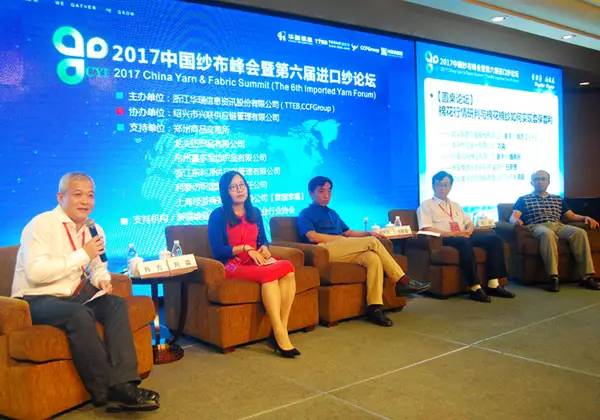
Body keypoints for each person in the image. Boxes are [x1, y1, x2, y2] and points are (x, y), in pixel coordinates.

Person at [11, 172, 159, 412]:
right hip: (35, 298)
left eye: (90, 195)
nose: (85, 201)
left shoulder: (93, 228)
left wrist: (102, 280)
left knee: (116, 304)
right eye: (77, 195)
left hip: (73, 296)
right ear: (60, 197)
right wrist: (83, 254)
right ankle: (105, 391)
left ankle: (124, 385)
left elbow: (97, 266)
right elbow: (36, 274)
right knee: (78, 315)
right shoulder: (40, 225)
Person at [297, 176, 430, 327]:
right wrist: (339, 238)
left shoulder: (332, 213)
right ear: (311, 193)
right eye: (321, 191)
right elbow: (312, 236)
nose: (326, 195)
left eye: (329, 191)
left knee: (372, 258)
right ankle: (402, 281)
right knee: (372, 242)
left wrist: (369, 233)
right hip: (324, 250)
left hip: (342, 248)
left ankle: (374, 307)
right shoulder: (305, 213)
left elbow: (349, 232)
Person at [208, 171, 299, 358]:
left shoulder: (255, 212)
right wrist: (244, 248)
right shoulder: (218, 215)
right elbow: (217, 250)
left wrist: (264, 248)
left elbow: (262, 240)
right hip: (231, 265)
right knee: (270, 274)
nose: (239, 190)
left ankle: (279, 330)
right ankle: (281, 335)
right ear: (225, 192)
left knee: (288, 269)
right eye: (233, 187)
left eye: (242, 185)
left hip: (255, 261)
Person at [417, 171, 515, 302]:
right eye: (439, 185)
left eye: (446, 185)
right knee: (464, 242)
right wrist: (455, 234)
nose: (442, 188)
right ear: (433, 186)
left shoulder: (455, 205)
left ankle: (493, 284)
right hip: (444, 238)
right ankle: (474, 288)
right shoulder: (426, 205)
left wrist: (468, 230)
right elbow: (426, 228)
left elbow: (469, 222)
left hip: (463, 235)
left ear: (450, 186)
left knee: (494, 239)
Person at [510, 170, 599, 292]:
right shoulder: (523, 199)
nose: (540, 182)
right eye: (536, 179)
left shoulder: (557, 199)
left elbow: (571, 216)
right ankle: (553, 277)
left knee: (580, 233)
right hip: (537, 225)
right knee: (547, 234)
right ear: (531, 182)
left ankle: (587, 276)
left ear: (548, 182)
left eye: (543, 179)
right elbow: (514, 216)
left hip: (558, 225)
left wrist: (585, 217)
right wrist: (515, 220)